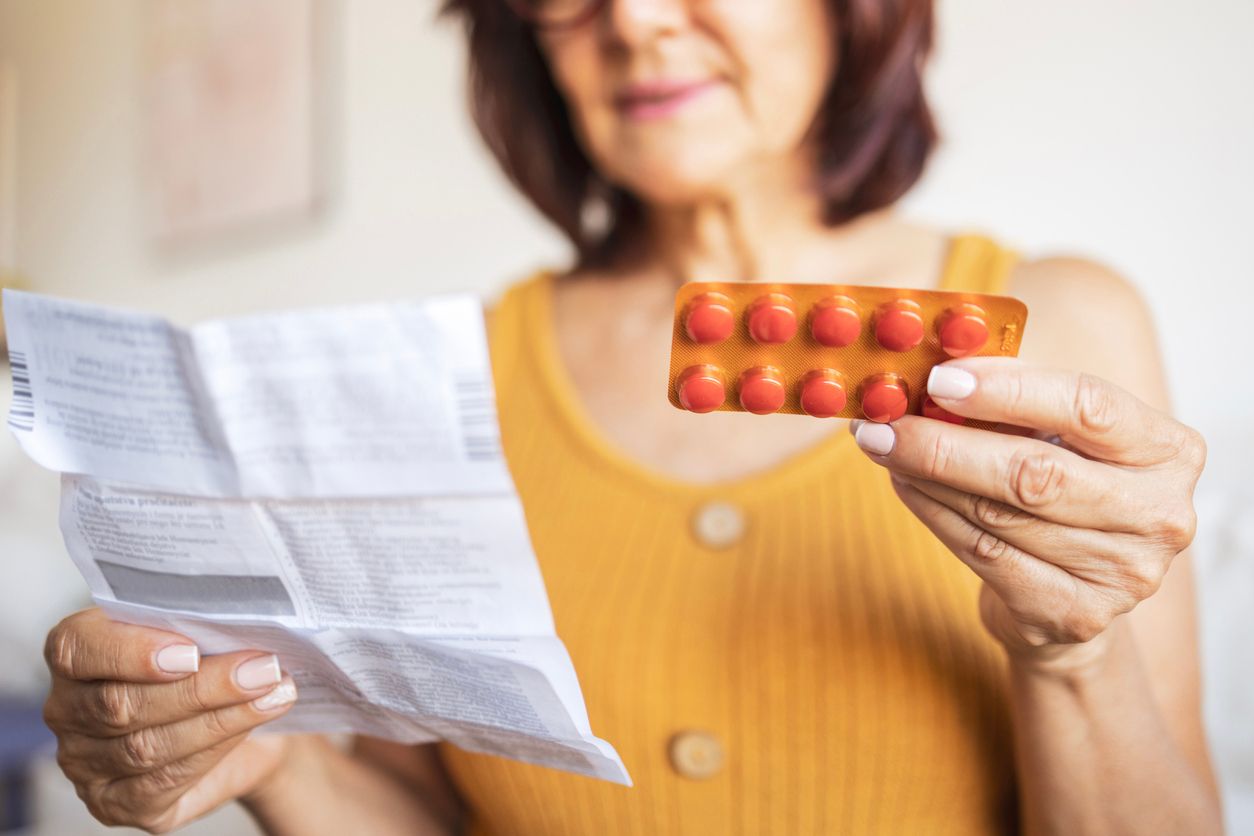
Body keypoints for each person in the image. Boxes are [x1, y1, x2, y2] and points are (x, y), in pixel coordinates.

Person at [39, 0, 1222, 833]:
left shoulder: (1063, 324)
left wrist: (1074, 652)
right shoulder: (459, 372)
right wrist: (272, 760)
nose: (637, 18)